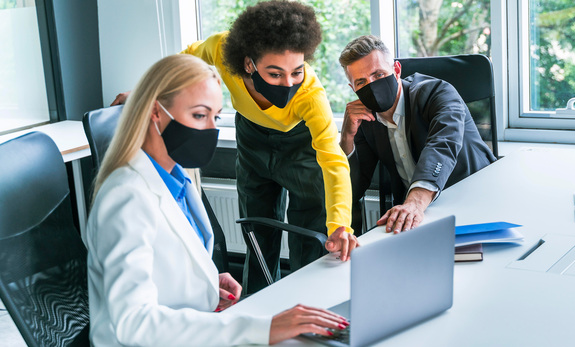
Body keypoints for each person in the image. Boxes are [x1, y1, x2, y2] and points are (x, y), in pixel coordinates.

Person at [86, 54, 348, 346]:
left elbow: (164, 263)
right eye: (200, 115)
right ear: (155, 111)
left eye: (216, 117)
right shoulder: (126, 196)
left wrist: (205, 283)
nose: (210, 129)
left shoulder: (177, 179)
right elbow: (133, 323)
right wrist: (259, 328)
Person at [111, 1, 358, 294]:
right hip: (252, 139)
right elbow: (183, 63)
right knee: (257, 232)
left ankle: (308, 301)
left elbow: (333, 161)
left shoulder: (311, 96)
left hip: (299, 145)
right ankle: (256, 306)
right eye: (275, 73)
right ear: (249, 64)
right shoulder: (221, 49)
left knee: (309, 235)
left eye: (297, 71)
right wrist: (144, 93)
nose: (288, 83)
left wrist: (341, 225)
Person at [338, 35, 497, 234]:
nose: (372, 85)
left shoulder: (438, 93)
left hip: (474, 204)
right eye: (361, 82)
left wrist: (414, 203)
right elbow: (352, 189)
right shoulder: (365, 120)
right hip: (419, 219)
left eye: (378, 75)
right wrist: (347, 138)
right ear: (353, 88)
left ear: (396, 70)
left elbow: (442, 146)